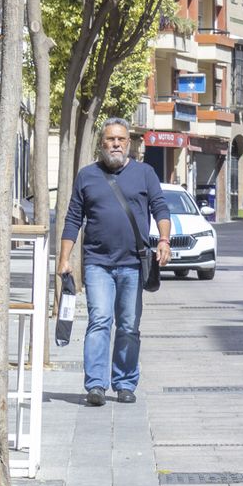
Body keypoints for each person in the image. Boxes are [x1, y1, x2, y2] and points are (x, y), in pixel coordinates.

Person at [58, 118, 171, 406]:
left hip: (134, 263)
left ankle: (125, 382)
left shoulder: (145, 173)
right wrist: (64, 259)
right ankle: (96, 384)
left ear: (129, 144)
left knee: (129, 325)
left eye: (121, 139)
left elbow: (160, 207)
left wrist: (164, 240)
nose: (116, 144)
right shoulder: (86, 176)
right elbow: (73, 218)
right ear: (102, 143)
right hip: (97, 262)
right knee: (99, 320)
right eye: (110, 139)